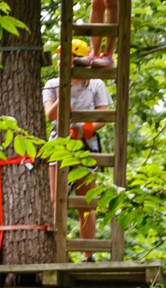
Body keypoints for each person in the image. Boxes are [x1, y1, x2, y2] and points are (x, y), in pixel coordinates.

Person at [42, 40, 113, 246]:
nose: (60, 61)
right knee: (56, 201)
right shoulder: (52, 84)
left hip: (86, 145)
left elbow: (103, 115)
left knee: (86, 202)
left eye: (65, 57)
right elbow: (50, 114)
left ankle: (88, 253)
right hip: (59, 144)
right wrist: (64, 90)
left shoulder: (95, 84)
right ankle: (55, 249)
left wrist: (84, 129)